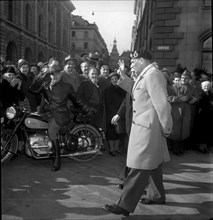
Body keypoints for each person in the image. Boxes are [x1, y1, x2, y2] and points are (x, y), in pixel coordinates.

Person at [103, 50, 173, 216]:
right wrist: (123, 76)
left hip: (148, 129)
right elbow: (138, 92)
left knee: (139, 166)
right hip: (145, 127)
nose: (131, 64)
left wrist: (167, 127)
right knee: (153, 163)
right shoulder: (146, 74)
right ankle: (157, 196)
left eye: (134, 61)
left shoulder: (152, 75)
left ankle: (124, 206)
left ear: (142, 60)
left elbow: (162, 104)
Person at [30, 58, 92, 172]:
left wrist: (87, 110)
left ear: (60, 74)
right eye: (52, 73)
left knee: (52, 130)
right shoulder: (45, 85)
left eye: (57, 73)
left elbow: (77, 100)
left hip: (60, 114)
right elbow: (32, 89)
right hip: (47, 113)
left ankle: (57, 159)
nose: (54, 76)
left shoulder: (66, 87)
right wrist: (40, 75)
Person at [104, 72, 126, 156]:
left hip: (120, 113)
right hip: (111, 113)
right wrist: (115, 113)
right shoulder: (107, 90)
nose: (114, 81)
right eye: (112, 79)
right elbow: (108, 103)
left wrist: (119, 113)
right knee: (111, 132)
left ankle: (116, 148)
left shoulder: (122, 89)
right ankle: (111, 149)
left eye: (115, 79)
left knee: (118, 132)